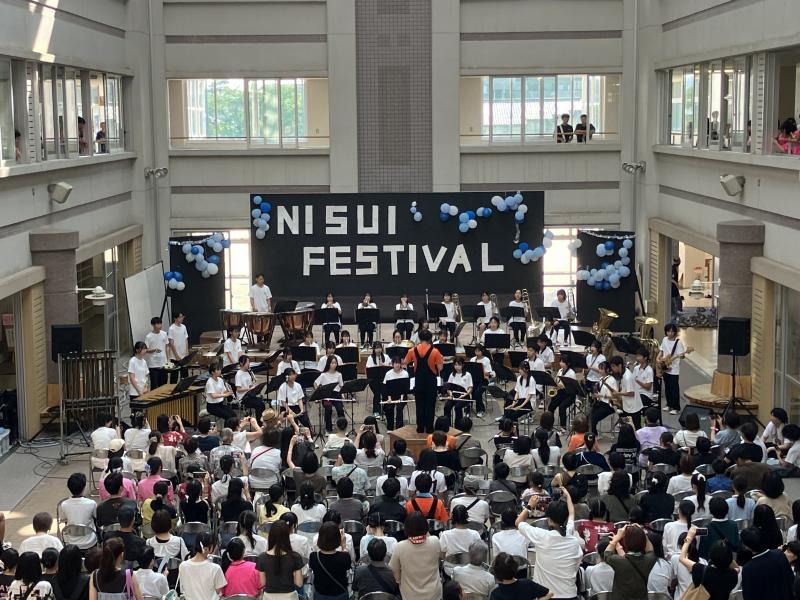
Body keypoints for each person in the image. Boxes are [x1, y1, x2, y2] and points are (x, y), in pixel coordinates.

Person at [515, 487, 583, 599]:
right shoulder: (572, 539)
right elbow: (571, 513)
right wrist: (567, 496)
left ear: (549, 519)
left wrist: (529, 506)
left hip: (546, 595)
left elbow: (518, 522)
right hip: (570, 595)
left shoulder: (541, 536)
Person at [389, 511, 442, 600]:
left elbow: (394, 571)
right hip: (434, 594)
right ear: (426, 527)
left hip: (410, 595)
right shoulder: (435, 541)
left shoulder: (400, 546)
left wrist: (400, 582)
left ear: (406, 528)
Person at [403, 329, 443, 434]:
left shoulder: (412, 350)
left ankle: (420, 428)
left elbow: (405, 362)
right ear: (430, 339)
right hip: (431, 382)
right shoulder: (435, 351)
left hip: (419, 381)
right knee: (430, 405)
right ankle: (429, 428)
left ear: (419, 338)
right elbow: (440, 368)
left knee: (419, 405)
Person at [604, 524, 657, 600]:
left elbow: (607, 553)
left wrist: (617, 537)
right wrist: (642, 534)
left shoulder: (618, 561)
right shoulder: (649, 559)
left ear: (626, 542)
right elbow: (650, 550)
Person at [740, 527, 795, 600]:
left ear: (747, 546)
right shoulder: (779, 554)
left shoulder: (748, 569)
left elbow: (748, 596)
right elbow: (791, 579)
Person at [257, 520, 305, 597]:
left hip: (269, 596)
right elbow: (299, 583)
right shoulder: (295, 556)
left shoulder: (262, 557)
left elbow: (262, 583)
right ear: (287, 535)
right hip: (289, 596)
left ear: (271, 535)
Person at [308, 521, 351, 600]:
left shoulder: (314, 557)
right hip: (340, 594)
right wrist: (344, 546)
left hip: (320, 595)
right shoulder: (344, 557)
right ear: (337, 539)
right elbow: (348, 566)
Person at [178, 532, 227, 600]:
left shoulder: (183, 566)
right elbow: (218, 591)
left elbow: (183, 589)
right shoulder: (215, 568)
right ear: (209, 548)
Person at [59, 473, 98, 550]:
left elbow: (63, 520)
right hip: (89, 542)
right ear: (84, 487)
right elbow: (96, 517)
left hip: (71, 542)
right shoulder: (91, 503)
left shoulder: (64, 504)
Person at [658, 323, 688, 415]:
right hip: (665, 367)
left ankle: (676, 407)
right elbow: (661, 350)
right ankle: (669, 404)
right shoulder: (664, 339)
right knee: (667, 387)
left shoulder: (678, 342)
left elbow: (682, 356)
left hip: (674, 369)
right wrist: (658, 358)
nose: (670, 333)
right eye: (668, 331)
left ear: (675, 332)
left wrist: (681, 355)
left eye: (672, 331)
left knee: (674, 388)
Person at [547, 354, 577, 429]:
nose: (560, 363)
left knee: (562, 407)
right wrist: (555, 384)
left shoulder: (571, 373)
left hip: (570, 394)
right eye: (560, 361)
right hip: (561, 393)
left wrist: (563, 386)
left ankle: (563, 427)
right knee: (551, 406)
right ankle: (549, 425)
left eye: (563, 362)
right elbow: (557, 381)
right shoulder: (560, 371)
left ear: (568, 363)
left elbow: (573, 387)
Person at [144, 317, 169, 389]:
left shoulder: (164, 334)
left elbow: (167, 346)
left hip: (163, 364)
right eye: (157, 324)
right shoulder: (148, 336)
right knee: (154, 386)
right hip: (153, 365)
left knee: (164, 384)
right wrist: (154, 350)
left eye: (160, 323)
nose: (159, 325)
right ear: (153, 325)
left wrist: (168, 359)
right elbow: (145, 350)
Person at [167, 312, 189, 380]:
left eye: (182, 317)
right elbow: (171, 343)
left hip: (183, 355)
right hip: (174, 356)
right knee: (174, 376)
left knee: (185, 375)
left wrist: (186, 351)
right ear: (175, 318)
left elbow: (186, 339)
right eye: (180, 317)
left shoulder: (184, 327)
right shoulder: (171, 328)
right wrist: (176, 355)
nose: (182, 318)